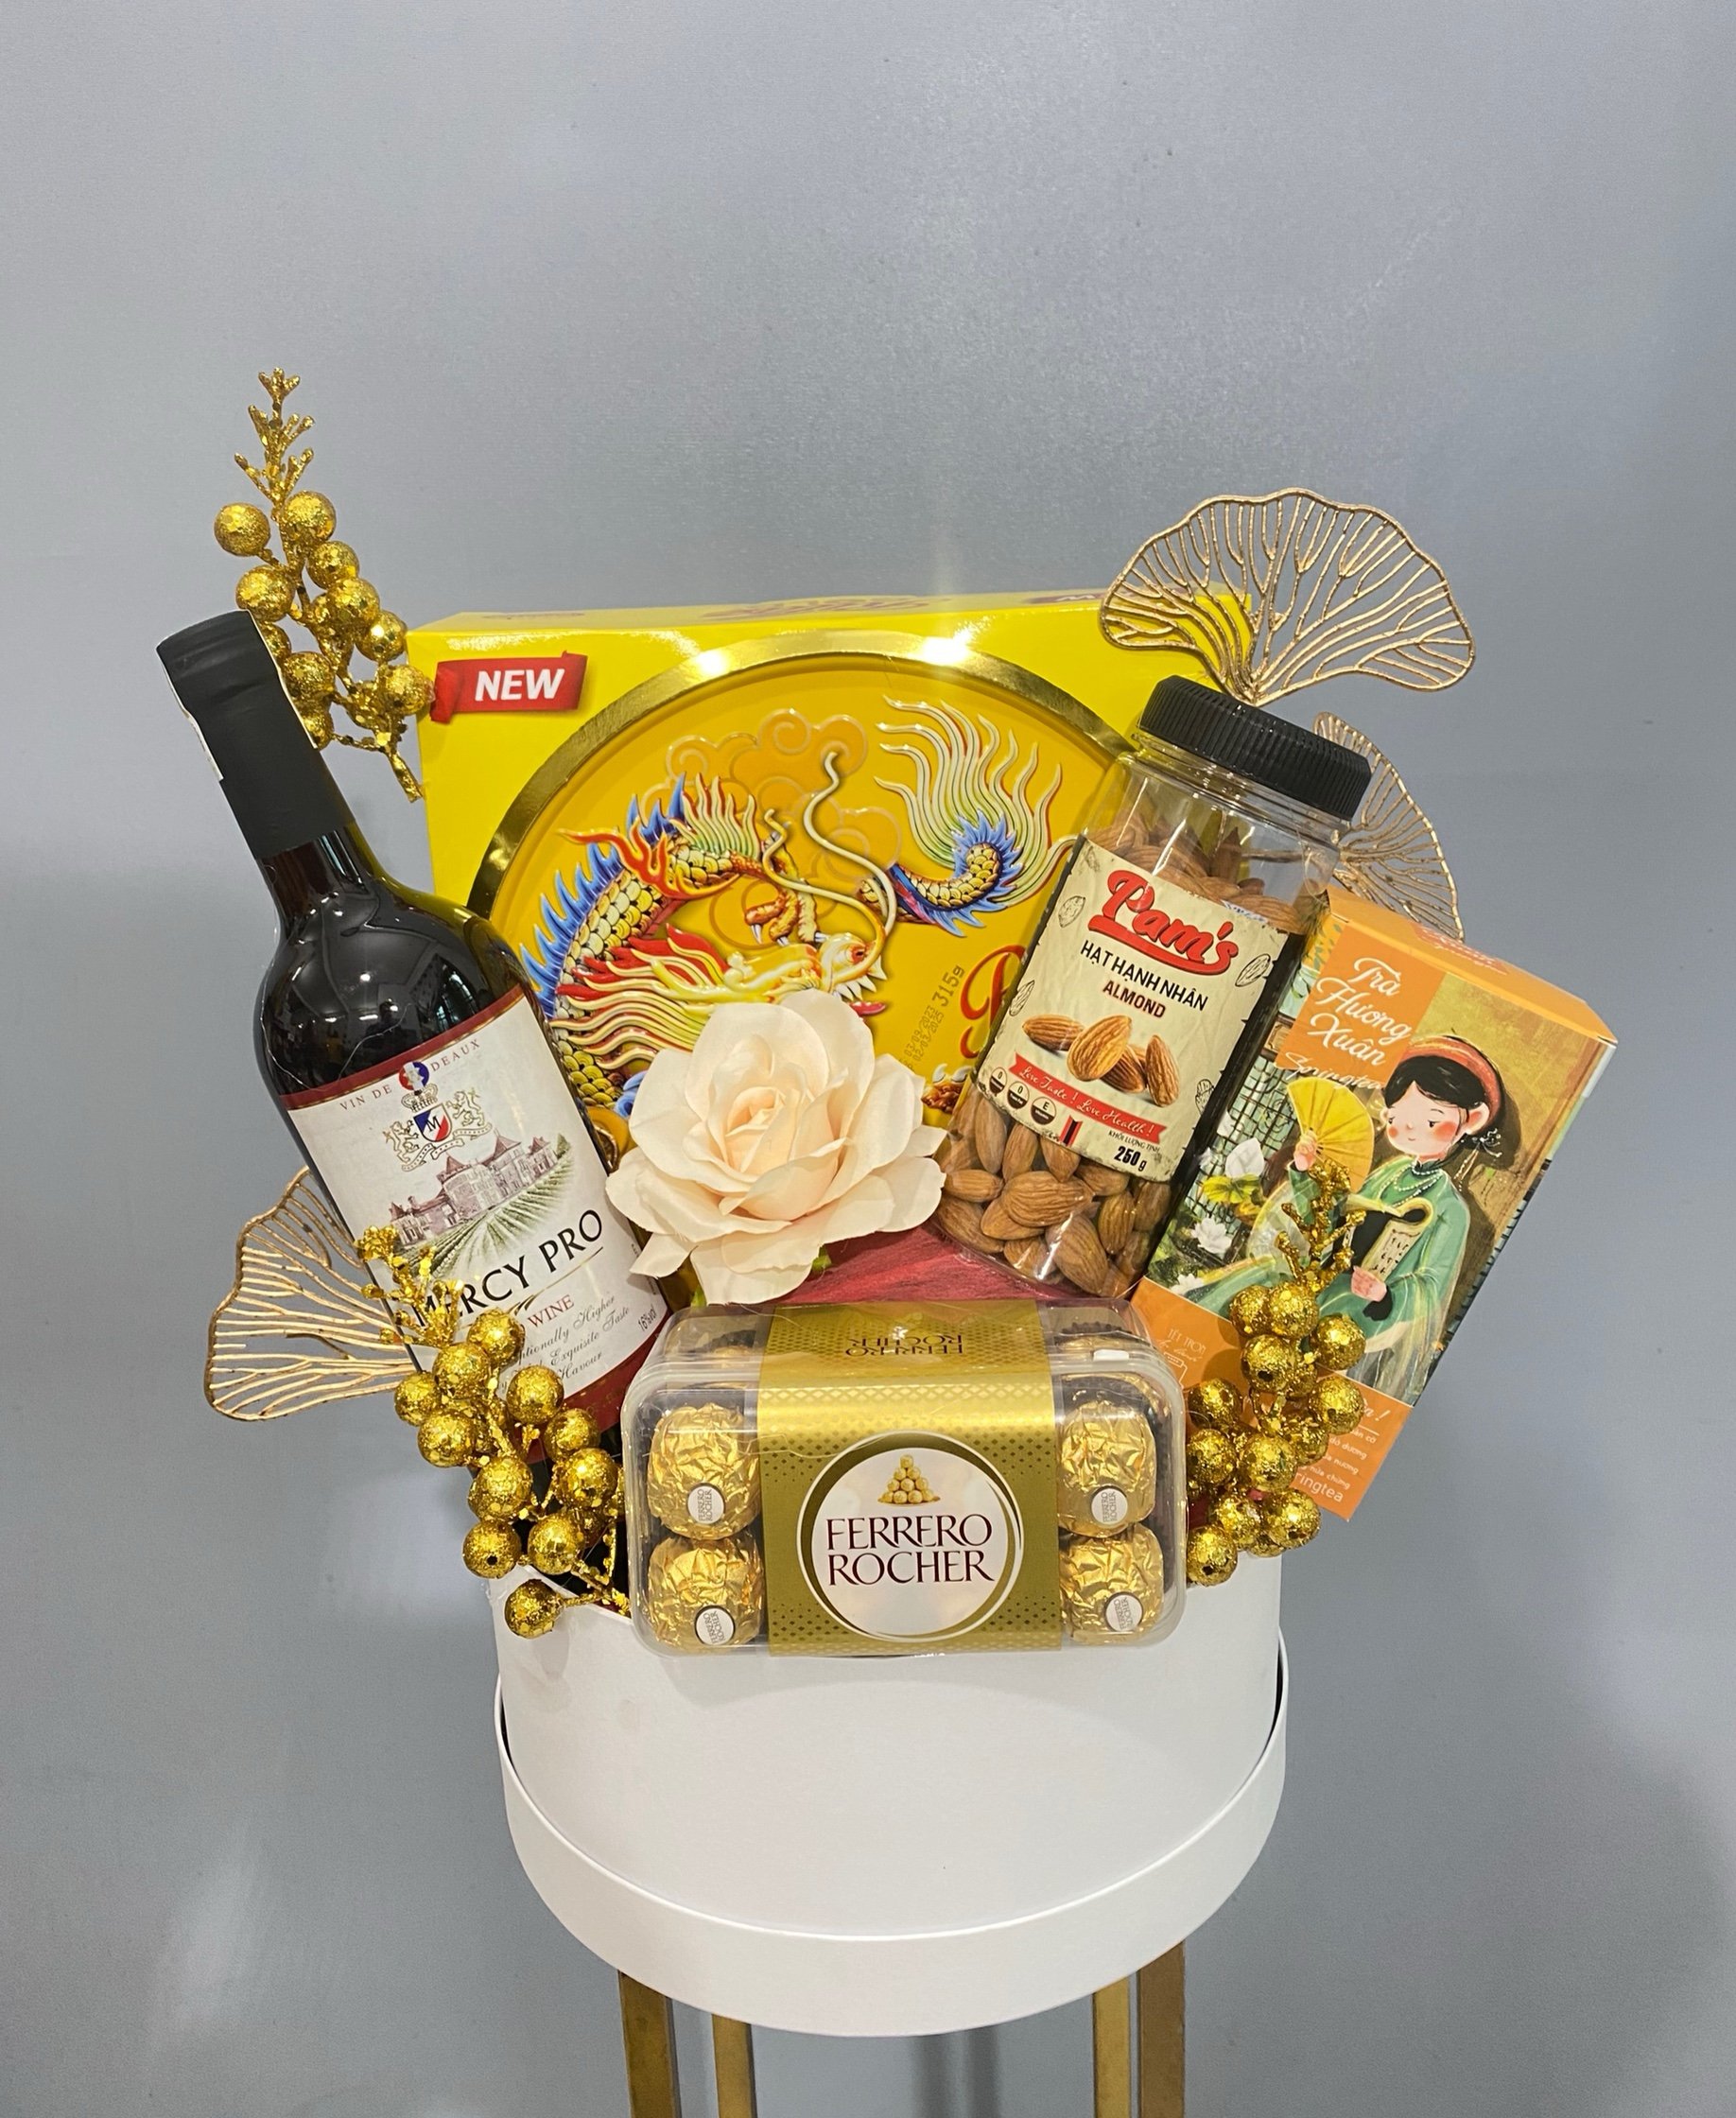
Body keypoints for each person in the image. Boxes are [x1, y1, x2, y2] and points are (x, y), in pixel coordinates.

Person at [1191, 1038, 1506, 1401]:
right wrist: (1306, 1173)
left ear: (1472, 1120)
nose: (1410, 1129)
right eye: (1398, 1118)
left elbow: (1431, 1285)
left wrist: (1385, 1294)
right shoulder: (1388, 1173)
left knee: (1308, 1322)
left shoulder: (1449, 1207)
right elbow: (1333, 1222)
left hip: (1367, 1304)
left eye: (1432, 1120)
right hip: (1329, 1272)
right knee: (1259, 1281)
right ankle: (1202, 1353)